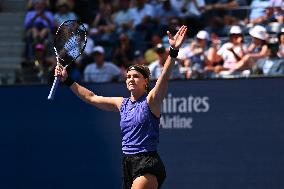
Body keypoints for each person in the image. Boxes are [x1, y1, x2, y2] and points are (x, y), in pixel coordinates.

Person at [54, 25, 188, 189]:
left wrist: (173, 51)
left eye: (136, 77)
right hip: (128, 163)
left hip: (148, 163)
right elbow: (91, 97)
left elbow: (164, 77)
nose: (131, 79)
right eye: (128, 76)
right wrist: (68, 81)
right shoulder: (121, 103)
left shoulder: (151, 100)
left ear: (146, 81)